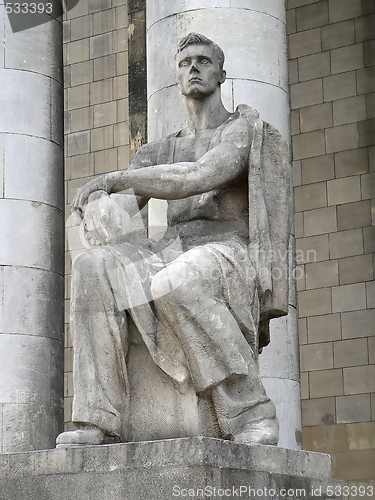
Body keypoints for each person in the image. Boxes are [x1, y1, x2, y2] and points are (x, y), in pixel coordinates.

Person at [57, 33, 291, 447]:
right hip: (169, 249)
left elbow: (200, 175)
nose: (194, 68)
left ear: (222, 73)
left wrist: (112, 178)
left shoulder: (239, 131)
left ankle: (249, 410)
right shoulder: (158, 150)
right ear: (178, 76)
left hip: (225, 252)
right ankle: (98, 418)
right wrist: (98, 206)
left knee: (175, 282)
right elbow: (125, 209)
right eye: (185, 63)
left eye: (203, 61)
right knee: (93, 266)